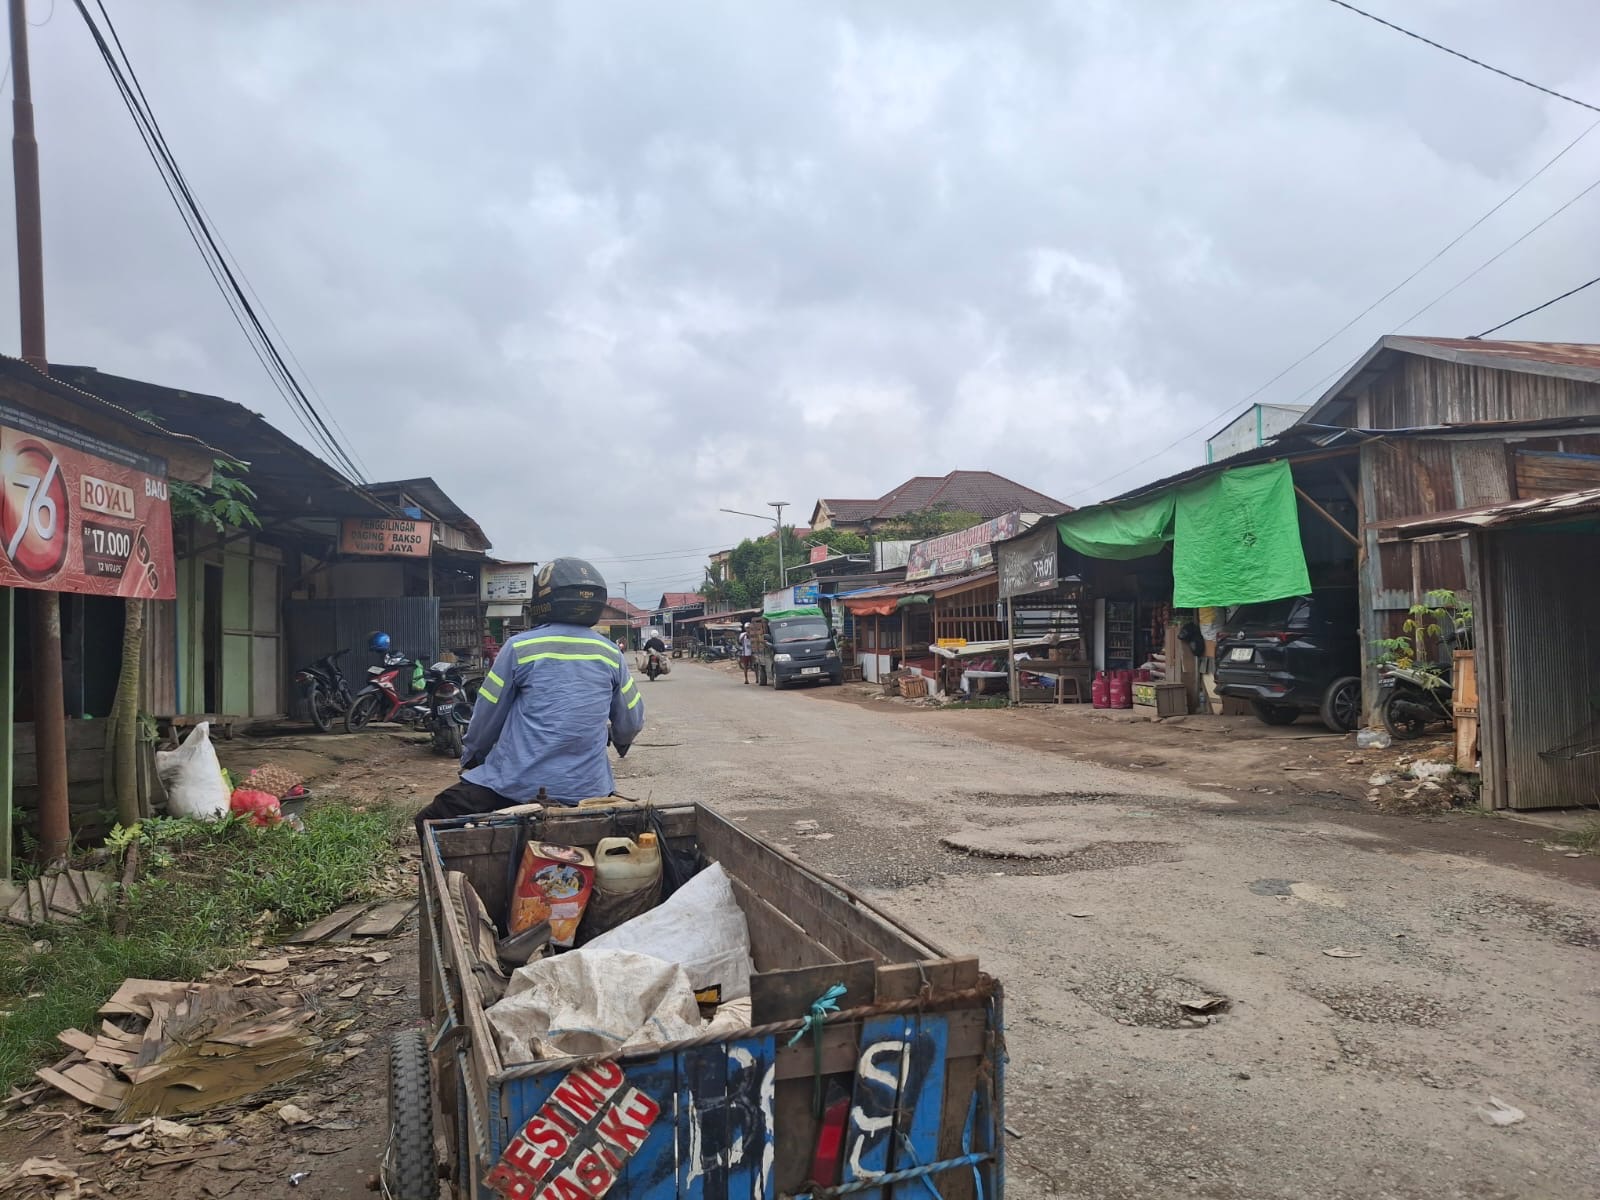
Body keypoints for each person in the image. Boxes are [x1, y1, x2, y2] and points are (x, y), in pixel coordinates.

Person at [413, 558, 644, 836]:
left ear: (543, 599)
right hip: (590, 790)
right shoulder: (610, 653)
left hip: (515, 788)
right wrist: (620, 741)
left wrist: (473, 755)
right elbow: (631, 720)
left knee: (430, 820)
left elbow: (487, 715)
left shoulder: (520, 647)